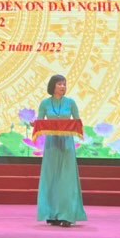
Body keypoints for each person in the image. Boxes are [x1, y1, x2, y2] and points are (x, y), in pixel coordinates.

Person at [36, 74, 88, 228]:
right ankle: (51, 214)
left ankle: (67, 215)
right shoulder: (45, 103)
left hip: (67, 144)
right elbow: (39, 122)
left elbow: (77, 121)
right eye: (59, 84)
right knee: (51, 178)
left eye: (64, 84)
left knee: (67, 179)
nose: (63, 87)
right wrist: (35, 124)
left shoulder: (71, 103)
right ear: (52, 86)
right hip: (51, 144)